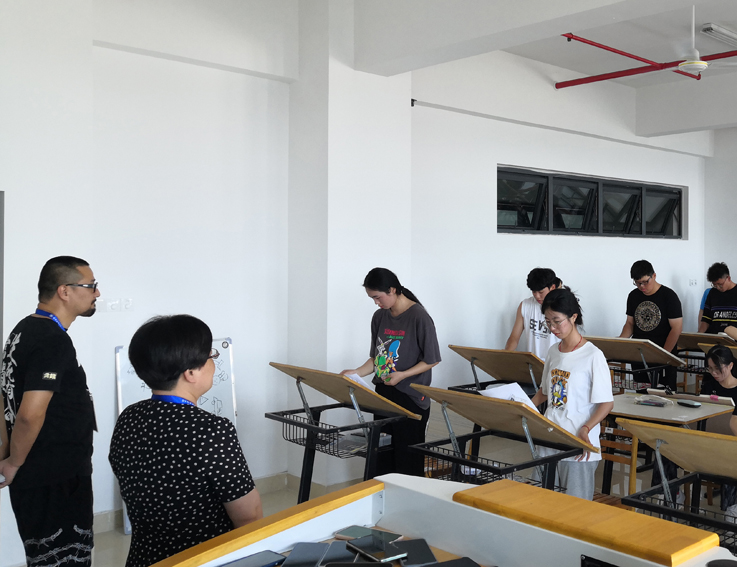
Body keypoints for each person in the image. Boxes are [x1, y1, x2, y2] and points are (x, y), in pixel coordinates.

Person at [109, 315, 262, 567]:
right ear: (190, 373)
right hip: (205, 559)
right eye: (210, 356)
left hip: (144, 557)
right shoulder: (211, 430)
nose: (213, 362)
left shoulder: (129, 417)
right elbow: (248, 516)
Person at [0, 256, 99, 566]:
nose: (97, 293)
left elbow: (4, 395)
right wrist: (13, 461)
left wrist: (8, 454)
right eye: (91, 286)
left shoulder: (23, 329)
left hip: (39, 474)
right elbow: (30, 413)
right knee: (64, 559)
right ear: (64, 291)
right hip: (54, 477)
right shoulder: (52, 340)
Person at [341, 268, 441, 477]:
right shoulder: (379, 317)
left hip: (411, 397)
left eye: (378, 297)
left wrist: (402, 375)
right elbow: (377, 359)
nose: (376, 303)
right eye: (372, 298)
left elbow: (432, 359)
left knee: (407, 461)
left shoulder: (419, 317)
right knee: (382, 457)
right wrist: (356, 372)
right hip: (384, 394)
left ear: (392, 290)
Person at [530, 288, 614, 500]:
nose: (552, 328)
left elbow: (606, 403)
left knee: (574, 508)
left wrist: (586, 428)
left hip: (578, 444)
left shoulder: (593, 355)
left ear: (573, 317)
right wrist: (524, 409)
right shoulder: (553, 351)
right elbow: (545, 392)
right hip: (549, 439)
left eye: (557, 321)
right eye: (548, 322)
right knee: (540, 503)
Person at [618, 260, 683, 390]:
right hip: (640, 354)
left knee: (665, 394)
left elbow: (676, 328)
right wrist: (620, 343)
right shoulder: (633, 296)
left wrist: (663, 355)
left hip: (664, 353)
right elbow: (630, 323)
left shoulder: (669, 296)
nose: (642, 286)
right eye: (637, 283)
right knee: (641, 393)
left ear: (654, 276)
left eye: (645, 282)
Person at [701, 345, 737, 519]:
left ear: (730, 366)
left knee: (732, 457)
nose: (714, 373)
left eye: (718, 368)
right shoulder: (708, 386)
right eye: (710, 368)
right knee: (666, 446)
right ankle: (672, 495)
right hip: (708, 440)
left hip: (731, 442)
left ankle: (732, 508)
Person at [505, 268, 561, 360]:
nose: (537, 296)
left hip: (556, 364)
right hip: (533, 364)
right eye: (534, 292)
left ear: (552, 287)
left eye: (541, 292)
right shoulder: (525, 306)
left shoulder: (563, 307)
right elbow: (514, 337)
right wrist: (505, 356)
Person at [700, 262, 737, 334]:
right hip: (714, 337)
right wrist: (699, 335)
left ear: (728, 278)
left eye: (720, 284)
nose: (718, 288)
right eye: (714, 285)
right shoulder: (712, 293)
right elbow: (706, 319)